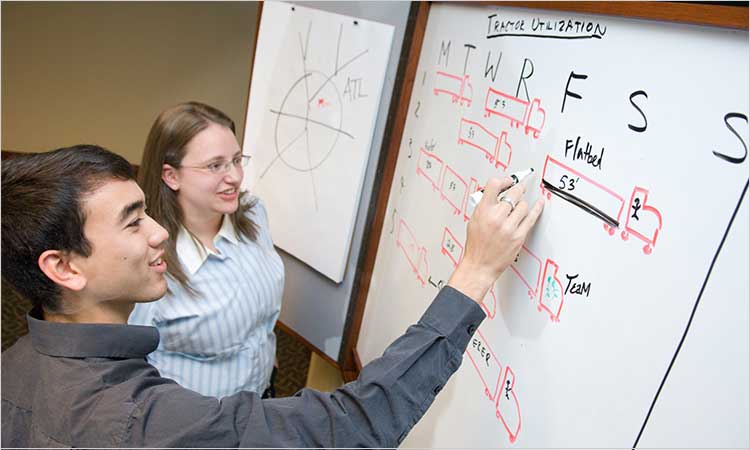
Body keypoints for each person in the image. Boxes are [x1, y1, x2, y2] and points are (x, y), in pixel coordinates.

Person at [1, 145, 544, 448]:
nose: (158, 232)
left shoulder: (13, 367)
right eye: (132, 221)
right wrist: (474, 272)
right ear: (65, 267)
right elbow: (351, 426)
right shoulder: (145, 422)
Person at [129, 102, 282, 398]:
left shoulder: (252, 213)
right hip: (195, 424)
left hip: (260, 397)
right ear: (171, 176)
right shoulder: (148, 255)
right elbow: (126, 362)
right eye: (215, 165)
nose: (235, 177)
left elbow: (261, 312)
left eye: (237, 160)